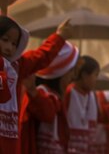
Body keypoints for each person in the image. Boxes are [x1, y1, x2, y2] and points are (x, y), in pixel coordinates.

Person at [0, 16, 72, 153]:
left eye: (14, 44)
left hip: (9, 142)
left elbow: (41, 56)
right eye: (5, 40)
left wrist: (60, 37)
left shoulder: (17, 66)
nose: (9, 48)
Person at [21, 39, 80, 153]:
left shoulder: (52, 96)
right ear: (60, 72)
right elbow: (47, 113)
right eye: (71, 71)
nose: (73, 77)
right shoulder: (41, 93)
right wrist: (33, 91)